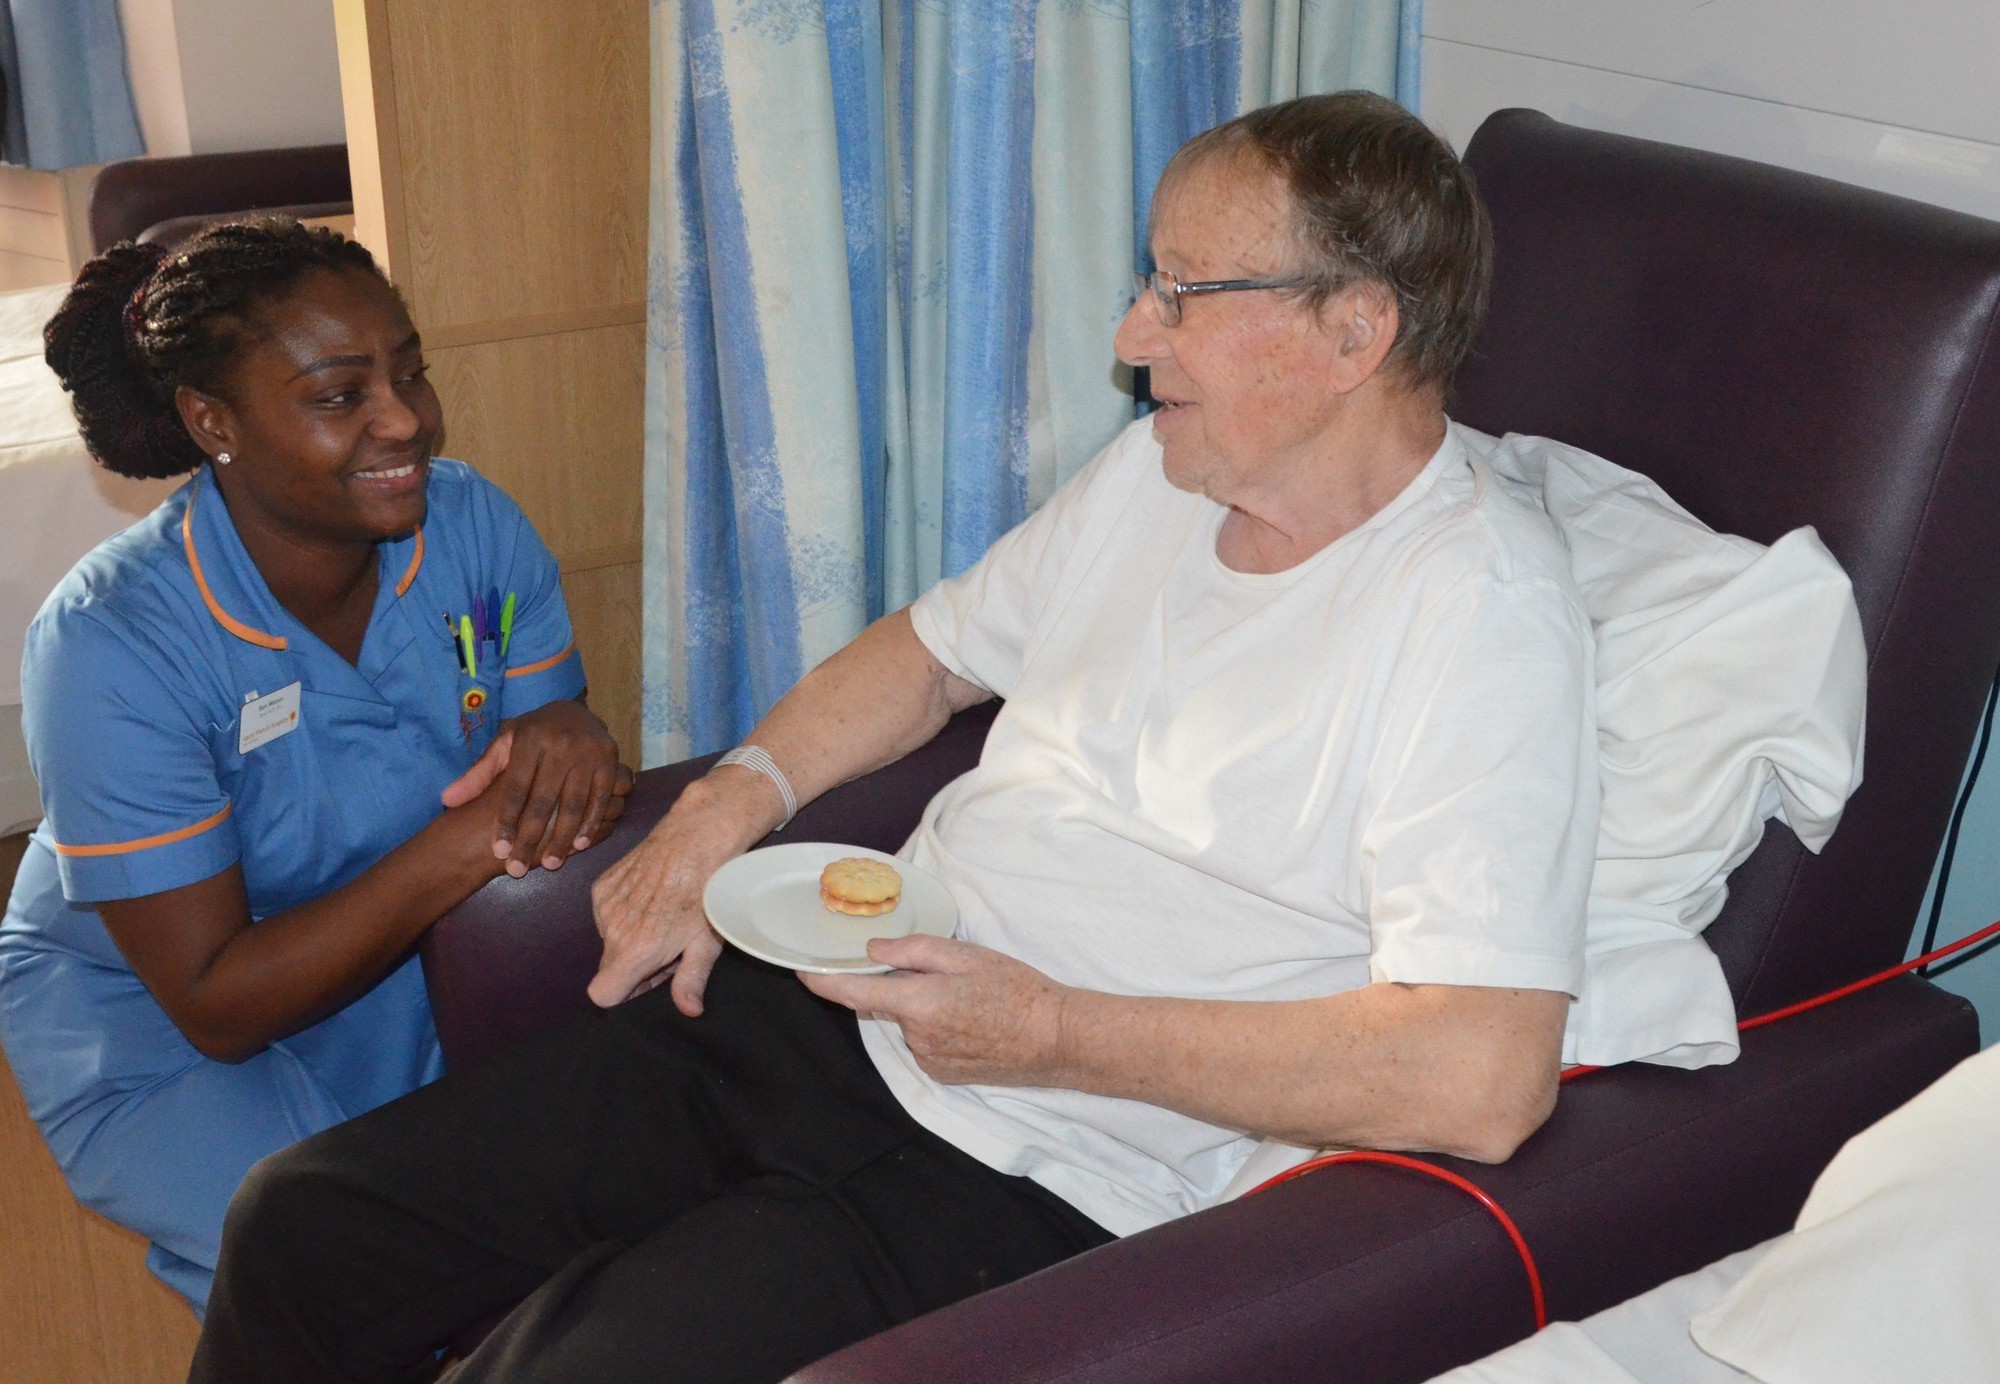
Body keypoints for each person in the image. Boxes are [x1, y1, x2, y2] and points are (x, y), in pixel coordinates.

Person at [190, 93, 1595, 1382]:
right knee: (304, 1225)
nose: (1131, 334)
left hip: (1036, 1168)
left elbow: (1481, 1077)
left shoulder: (1477, 611)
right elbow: (929, 659)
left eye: (1182, 290)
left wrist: (1049, 1032)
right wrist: (730, 800)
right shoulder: (1170, 473)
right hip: (825, 1015)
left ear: (1355, 334)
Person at [0, 220, 630, 1314]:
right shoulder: (112, 639)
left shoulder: (471, 524)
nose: (406, 419)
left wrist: (571, 733)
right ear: (214, 421)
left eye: (410, 371)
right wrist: (468, 842)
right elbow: (216, 1001)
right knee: (342, 1260)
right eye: (342, 394)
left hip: (417, 956)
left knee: (562, 1233)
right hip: (159, 1012)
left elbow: (545, 767)